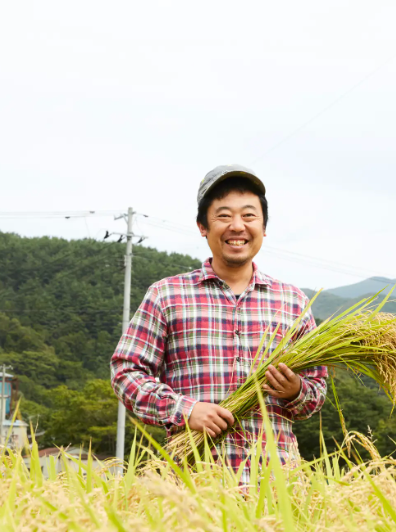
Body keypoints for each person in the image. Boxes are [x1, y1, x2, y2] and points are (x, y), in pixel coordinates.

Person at [110, 164, 327, 484]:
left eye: (249, 216)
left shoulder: (293, 303)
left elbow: (316, 392)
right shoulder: (167, 295)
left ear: (264, 227)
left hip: (276, 487)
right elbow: (125, 372)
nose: (237, 226)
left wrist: (295, 390)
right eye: (224, 215)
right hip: (190, 484)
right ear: (202, 226)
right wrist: (185, 410)